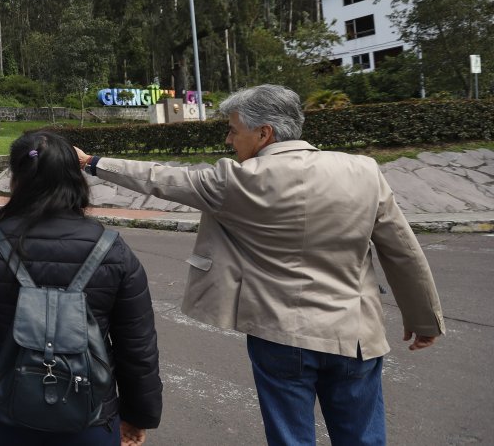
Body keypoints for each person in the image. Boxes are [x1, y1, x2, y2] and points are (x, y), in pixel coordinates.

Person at [78, 84, 444, 446]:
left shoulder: (237, 181)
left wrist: (91, 163)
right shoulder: (364, 171)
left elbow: (160, 178)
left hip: (281, 336)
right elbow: (402, 251)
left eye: (233, 131)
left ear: (264, 133)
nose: (228, 140)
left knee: (291, 439)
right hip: (356, 335)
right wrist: (424, 319)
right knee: (362, 438)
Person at [0, 131, 162, 446]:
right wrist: (140, 416)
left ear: (16, 179)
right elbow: (138, 350)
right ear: (75, 179)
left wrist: (11, 337)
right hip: (91, 418)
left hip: (4, 414)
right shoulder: (113, 251)